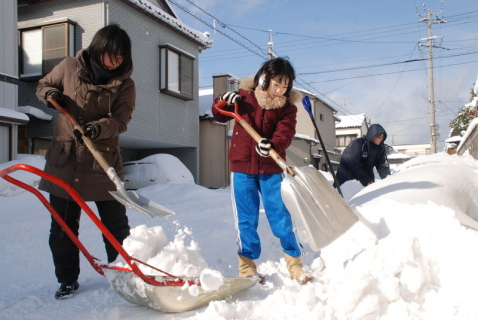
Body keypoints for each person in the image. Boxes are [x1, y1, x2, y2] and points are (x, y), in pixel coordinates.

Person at [36, 24, 135, 299]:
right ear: (98, 50)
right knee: (63, 226)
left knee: (115, 225)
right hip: (65, 161)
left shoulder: (125, 84)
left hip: (101, 161)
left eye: (121, 57)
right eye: (112, 56)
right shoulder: (69, 67)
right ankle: (67, 279)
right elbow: (43, 84)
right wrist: (50, 95)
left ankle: (126, 273)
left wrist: (96, 128)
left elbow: (120, 121)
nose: (117, 62)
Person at [212, 57, 311, 284]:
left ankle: (295, 265)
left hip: (271, 169)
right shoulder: (244, 98)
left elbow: (285, 133)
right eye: (277, 84)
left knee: (281, 217)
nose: (280, 91)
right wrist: (221, 100)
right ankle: (247, 268)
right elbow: (218, 113)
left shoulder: (287, 108)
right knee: (246, 220)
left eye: (285, 87)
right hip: (242, 168)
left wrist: (273, 145)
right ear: (264, 79)